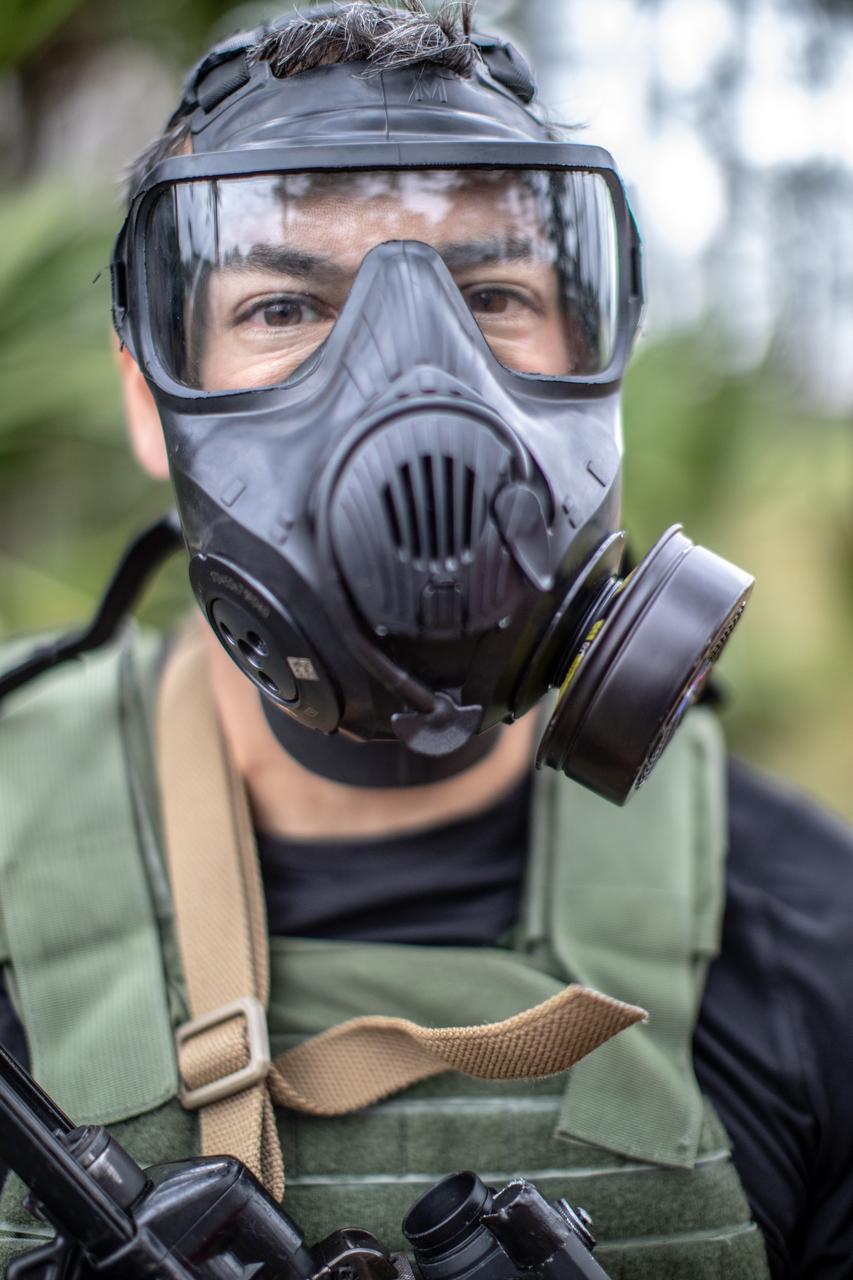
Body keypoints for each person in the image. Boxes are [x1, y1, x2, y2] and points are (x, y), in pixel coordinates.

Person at [0, 3, 851, 1277]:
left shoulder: (808, 936)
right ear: (151, 405)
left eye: (492, 295)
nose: (411, 381)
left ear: (593, 373)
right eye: (286, 307)